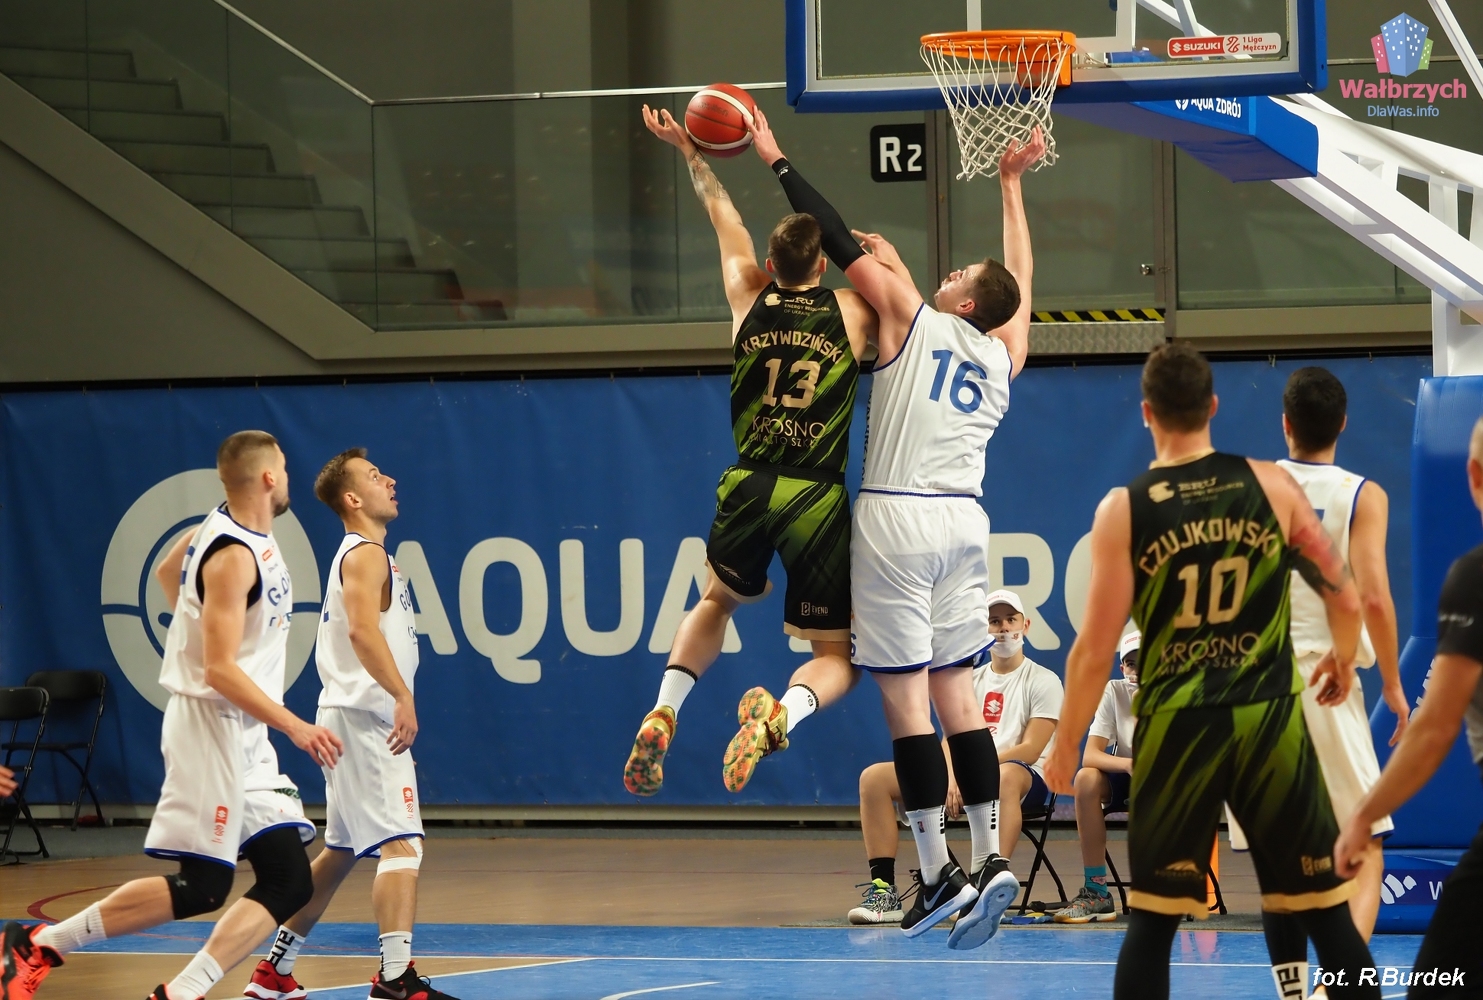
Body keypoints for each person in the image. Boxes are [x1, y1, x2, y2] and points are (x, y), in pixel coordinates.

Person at [751, 106, 1043, 949]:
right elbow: (1020, 285)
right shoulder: (1002, 356)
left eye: (958, 272)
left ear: (964, 300)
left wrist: (774, 157)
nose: (945, 272)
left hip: (896, 518)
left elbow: (830, 233)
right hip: (964, 525)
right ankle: (991, 859)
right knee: (959, 700)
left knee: (906, 704)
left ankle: (937, 871)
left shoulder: (911, 319)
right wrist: (1010, 186)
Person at [1043, 343, 1380, 999]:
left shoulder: (1124, 508)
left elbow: (1093, 648)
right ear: (1214, 407)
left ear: (1146, 413)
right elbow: (1344, 594)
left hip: (1178, 726)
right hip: (1267, 721)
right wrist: (1342, 659)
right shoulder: (1271, 484)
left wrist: (1064, 746)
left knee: (1151, 926)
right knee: (1327, 914)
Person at [1, 431, 342, 1000]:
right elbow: (219, 670)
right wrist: (295, 725)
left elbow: (167, 572)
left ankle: (181, 993)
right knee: (203, 886)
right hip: (210, 726)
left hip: (243, 728)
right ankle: (37, 944)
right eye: (282, 467)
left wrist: (191, 629)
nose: (287, 475)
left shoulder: (220, 529)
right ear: (267, 477)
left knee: (288, 880)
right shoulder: (233, 556)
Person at [622, 104, 876, 798]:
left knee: (715, 601)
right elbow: (886, 294)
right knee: (837, 655)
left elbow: (722, 215)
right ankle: (778, 718)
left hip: (750, 481)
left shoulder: (745, 293)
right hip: (814, 494)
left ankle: (664, 710)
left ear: (769, 265)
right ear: (822, 264)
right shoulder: (853, 310)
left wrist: (690, 151)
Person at [244, 450, 458, 1000]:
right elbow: (363, 632)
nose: (390, 479)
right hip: (366, 718)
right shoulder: (365, 554)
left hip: (348, 713)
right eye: (374, 476)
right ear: (353, 498)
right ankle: (395, 977)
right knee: (403, 845)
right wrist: (402, 695)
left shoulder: (366, 554)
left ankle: (274, 969)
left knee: (340, 853)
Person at [1234, 367, 1409, 973]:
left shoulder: (1247, 486)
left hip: (1248, 688)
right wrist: (1393, 685)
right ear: (1343, 423)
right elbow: (1374, 597)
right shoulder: (1361, 494)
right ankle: (1337, 985)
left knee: (1280, 858)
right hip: (1321, 680)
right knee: (1364, 846)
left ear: (1285, 424)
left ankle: (1296, 991)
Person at [1333, 415, 1483, 999]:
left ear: (1473, 475)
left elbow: (1435, 727)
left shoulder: (1473, 578)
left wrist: (1364, 817)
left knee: (1439, 982)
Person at [847, 591, 1059, 926]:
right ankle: (884, 892)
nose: (1003, 628)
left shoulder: (1044, 680)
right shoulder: (970, 678)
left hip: (1025, 777)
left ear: (1026, 625)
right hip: (969, 772)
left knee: (1003, 777)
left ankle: (987, 882)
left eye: (1010, 620)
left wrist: (972, 773)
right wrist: (951, 774)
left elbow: (1031, 748)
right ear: (982, 629)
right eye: (994, 621)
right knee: (874, 779)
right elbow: (950, 738)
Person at [1054, 630, 1141, 924]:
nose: (1139, 670)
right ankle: (1097, 891)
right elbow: (1090, 756)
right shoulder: (1114, 691)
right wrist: (1129, 764)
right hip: (1129, 772)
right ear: (1123, 667)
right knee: (1086, 779)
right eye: (1132, 664)